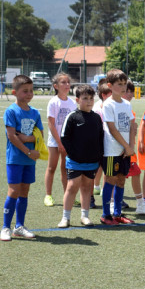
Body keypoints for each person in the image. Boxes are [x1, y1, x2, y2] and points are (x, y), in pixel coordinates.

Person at [1, 74, 43, 241]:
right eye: (25, 91)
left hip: (29, 159)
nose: (29, 94)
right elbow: (12, 136)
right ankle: (5, 227)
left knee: (25, 191)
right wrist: (28, 150)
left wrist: (28, 139)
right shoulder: (11, 111)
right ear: (14, 92)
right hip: (16, 158)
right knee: (14, 191)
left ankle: (19, 226)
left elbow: (39, 135)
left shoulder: (35, 113)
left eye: (31, 90)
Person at [57, 85, 103, 227]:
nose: (89, 101)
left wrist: (98, 154)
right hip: (75, 161)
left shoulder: (96, 118)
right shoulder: (72, 116)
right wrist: (73, 154)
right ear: (77, 100)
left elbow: (100, 137)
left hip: (91, 161)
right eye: (85, 98)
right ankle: (66, 217)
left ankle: (85, 216)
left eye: (91, 98)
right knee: (72, 187)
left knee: (87, 187)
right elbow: (64, 137)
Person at [99, 69, 137, 225]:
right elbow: (112, 129)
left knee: (121, 180)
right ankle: (105, 215)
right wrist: (125, 146)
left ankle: (118, 213)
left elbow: (132, 125)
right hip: (112, 151)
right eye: (119, 84)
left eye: (124, 84)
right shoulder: (108, 104)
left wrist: (131, 147)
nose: (123, 87)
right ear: (110, 85)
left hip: (125, 151)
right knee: (110, 179)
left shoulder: (127, 104)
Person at [43, 73, 77, 207]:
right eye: (63, 82)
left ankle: (67, 195)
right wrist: (58, 142)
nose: (67, 85)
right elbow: (51, 123)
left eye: (68, 82)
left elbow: (73, 123)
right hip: (55, 140)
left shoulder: (72, 103)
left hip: (67, 141)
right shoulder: (53, 102)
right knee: (52, 168)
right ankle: (48, 195)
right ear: (56, 86)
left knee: (66, 168)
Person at [122, 80, 145, 214]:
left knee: (134, 172)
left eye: (131, 91)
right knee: (114, 176)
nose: (129, 94)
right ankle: (112, 202)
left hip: (128, 149)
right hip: (117, 149)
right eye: (126, 91)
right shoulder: (114, 107)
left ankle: (140, 203)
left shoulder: (130, 110)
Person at [90, 78, 111, 207]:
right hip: (98, 144)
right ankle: (91, 195)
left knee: (108, 171)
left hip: (109, 144)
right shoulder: (98, 108)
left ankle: (108, 197)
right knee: (94, 169)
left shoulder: (114, 105)